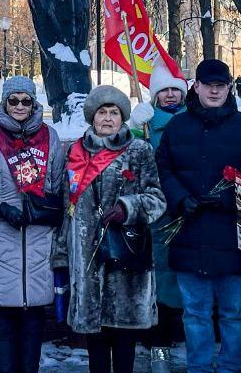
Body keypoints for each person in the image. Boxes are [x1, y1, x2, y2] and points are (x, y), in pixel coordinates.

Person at [155, 59, 241, 373]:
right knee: (195, 312)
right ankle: (198, 367)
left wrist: (232, 196)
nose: (213, 90)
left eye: (220, 85)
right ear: (195, 87)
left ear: (228, 87)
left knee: (234, 313)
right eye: (207, 84)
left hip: (233, 236)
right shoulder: (177, 126)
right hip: (188, 232)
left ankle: (230, 368)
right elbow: (163, 168)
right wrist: (181, 198)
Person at [0, 76, 66, 373]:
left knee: (32, 344)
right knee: (2, 346)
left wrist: (50, 210)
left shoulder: (51, 137)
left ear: (34, 103)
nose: (20, 106)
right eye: (14, 100)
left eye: (26, 100)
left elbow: (58, 187)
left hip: (37, 246)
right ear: (4, 103)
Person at [58, 86, 165, 373]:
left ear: (122, 117)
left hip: (125, 261)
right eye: (101, 113)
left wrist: (127, 207)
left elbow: (157, 201)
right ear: (92, 118)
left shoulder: (139, 150)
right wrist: (60, 254)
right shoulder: (75, 152)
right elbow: (65, 207)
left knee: (124, 343)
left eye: (114, 113)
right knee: (95, 344)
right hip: (87, 262)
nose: (107, 119)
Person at [128, 63, 188, 373]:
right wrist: (136, 127)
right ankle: (158, 343)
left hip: (189, 210)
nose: (169, 95)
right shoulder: (147, 124)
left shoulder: (193, 121)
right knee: (158, 275)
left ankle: (183, 338)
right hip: (156, 213)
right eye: (163, 90)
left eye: (174, 89)